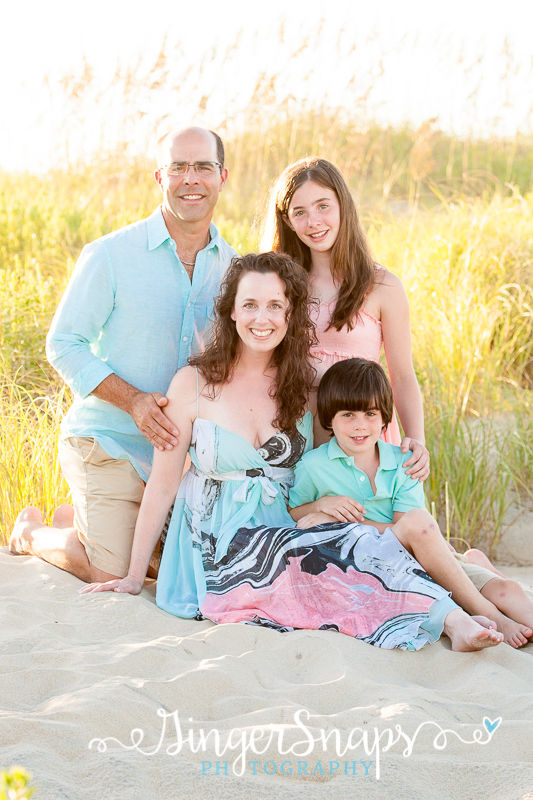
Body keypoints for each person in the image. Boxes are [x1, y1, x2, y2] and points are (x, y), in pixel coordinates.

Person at [81, 252, 502, 653]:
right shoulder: (191, 383)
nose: (261, 318)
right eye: (249, 305)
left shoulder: (304, 386)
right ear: (231, 311)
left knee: (357, 548)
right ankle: (449, 616)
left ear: (289, 314)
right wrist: (135, 576)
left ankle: (453, 620)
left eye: (274, 306)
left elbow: (338, 449)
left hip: (288, 526)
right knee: (325, 564)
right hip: (217, 542)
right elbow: (162, 483)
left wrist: (395, 459)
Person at [9, 126, 237, 584]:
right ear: (160, 177)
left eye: (203, 167)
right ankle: (32, 532)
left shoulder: (235, 270)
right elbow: (63, 343)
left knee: (174, 568)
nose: (190, 178)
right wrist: (133, 401)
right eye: (178, 167)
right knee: (108, 569)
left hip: (177, 460)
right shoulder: (111, 255)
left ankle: (80, 521)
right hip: (106, 441)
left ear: (222, 176)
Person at [288, 357, 532, 648]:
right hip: (379, 566)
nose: (360, 426)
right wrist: (320, 505)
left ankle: (483, 581)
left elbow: (409, 533)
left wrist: (340, 520)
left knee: (508, 591)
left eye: (370, 414)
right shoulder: (313, 466)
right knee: (433, 544)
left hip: (425, 557)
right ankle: (489, 612)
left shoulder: (403, 463)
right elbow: (295, 511)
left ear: (384, 418)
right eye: (347, 415)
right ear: (329, 417)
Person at [262, 156, 429, 479]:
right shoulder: (279, 284)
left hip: (359, 436)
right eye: (300, 212)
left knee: (368, 524)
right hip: (295, 433)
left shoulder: (382, 286)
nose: (314, 222)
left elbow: (403, 375)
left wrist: (417, 440)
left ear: (342, 205)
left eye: (323, 206)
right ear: (287, 220)